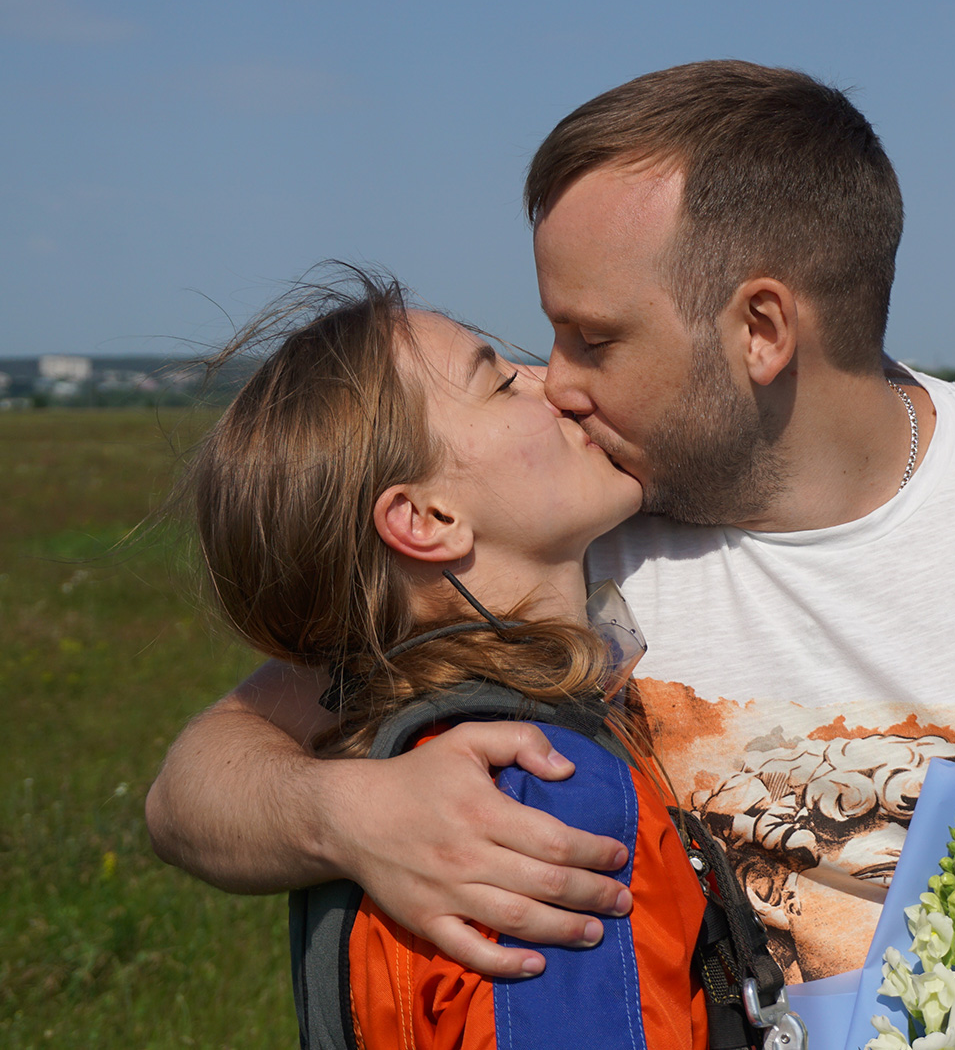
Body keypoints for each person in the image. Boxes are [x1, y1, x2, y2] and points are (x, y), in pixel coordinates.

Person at [147, 61, 955, 1049]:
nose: (556, 383)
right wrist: (344, 813)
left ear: (760, 330)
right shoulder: (562, 544)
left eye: (592, 339)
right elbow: (198, 781)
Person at [176, 268, 710, 1048]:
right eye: (498, 383)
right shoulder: (531, 789)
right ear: (427, 518)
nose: (551, 381)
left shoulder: (380, 733)